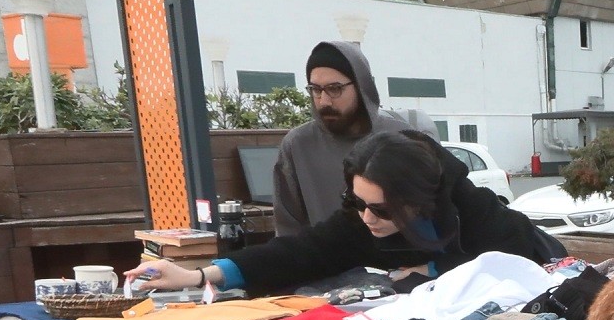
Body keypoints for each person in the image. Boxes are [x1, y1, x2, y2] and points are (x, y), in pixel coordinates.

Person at [127, 130, 564, 295]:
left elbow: (512, 263)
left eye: (381, 208)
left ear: (418, 201)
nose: (366, 218)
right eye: (356, 202)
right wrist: (198, 276)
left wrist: (431, 268)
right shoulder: (360, 221)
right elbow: (298, 253)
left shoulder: (476, 211)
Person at [274, 40, 439, 237]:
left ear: (361, 86)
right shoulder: (297, 145)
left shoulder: (403, 136)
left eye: (335, 88)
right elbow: (288, 227)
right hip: (326, 255)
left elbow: (432, 211)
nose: (324, 101)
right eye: (316, 89)